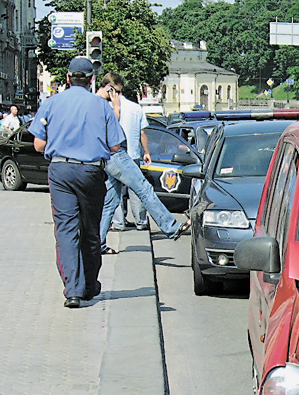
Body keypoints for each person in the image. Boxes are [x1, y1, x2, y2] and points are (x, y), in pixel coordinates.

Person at [29, 57, 126, 308]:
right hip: (91, 172)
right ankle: (90, 286)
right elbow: (115, 145)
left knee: (65, 230)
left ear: (69, 77)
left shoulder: (51, 103)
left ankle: (72, 289)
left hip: (60, 170)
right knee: (91, 230)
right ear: (92, 79)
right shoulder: (102, 106)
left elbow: (38, 145)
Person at [96, 73, 190, 253]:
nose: (118, 96)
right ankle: (171, 227)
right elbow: (113, 128)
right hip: (118, 154)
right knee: (144, 189)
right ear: (108, 87)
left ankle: (98, 244)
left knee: (110, 201)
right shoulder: (107, 105)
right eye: (116, 91)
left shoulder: (96, 103)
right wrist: (116, 108)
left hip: (108, 156)